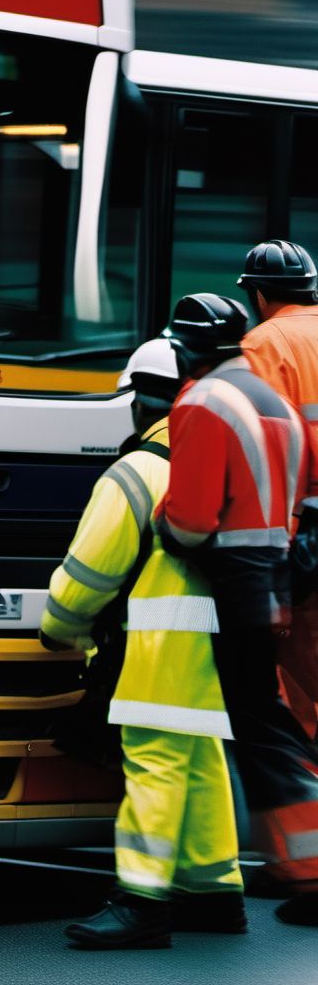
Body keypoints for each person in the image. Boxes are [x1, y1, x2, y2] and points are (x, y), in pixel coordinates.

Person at [41, 332, 243, 950]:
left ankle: (141, 903)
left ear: (137, 403)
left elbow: (87, 575)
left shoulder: (135, 472)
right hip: (218, 651)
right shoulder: (208, 465)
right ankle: (214, 892)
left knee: (154, 765)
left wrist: (59, 629)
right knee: (200, 761)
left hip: (155, 652)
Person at [157, 290, 318, 927]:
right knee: (271, 725)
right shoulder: (270, 400)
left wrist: (165, 530)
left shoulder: (201, 402)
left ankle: (307, 871)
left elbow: (192, 521)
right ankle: (297, 866)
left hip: (231, 582)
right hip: (278, 573)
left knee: (258, 733)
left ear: (184, 348)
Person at [237, 240, 318, 740]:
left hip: (303, 538)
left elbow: (262, 457)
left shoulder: (263, 344)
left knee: (300, 688)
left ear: (260, 296)